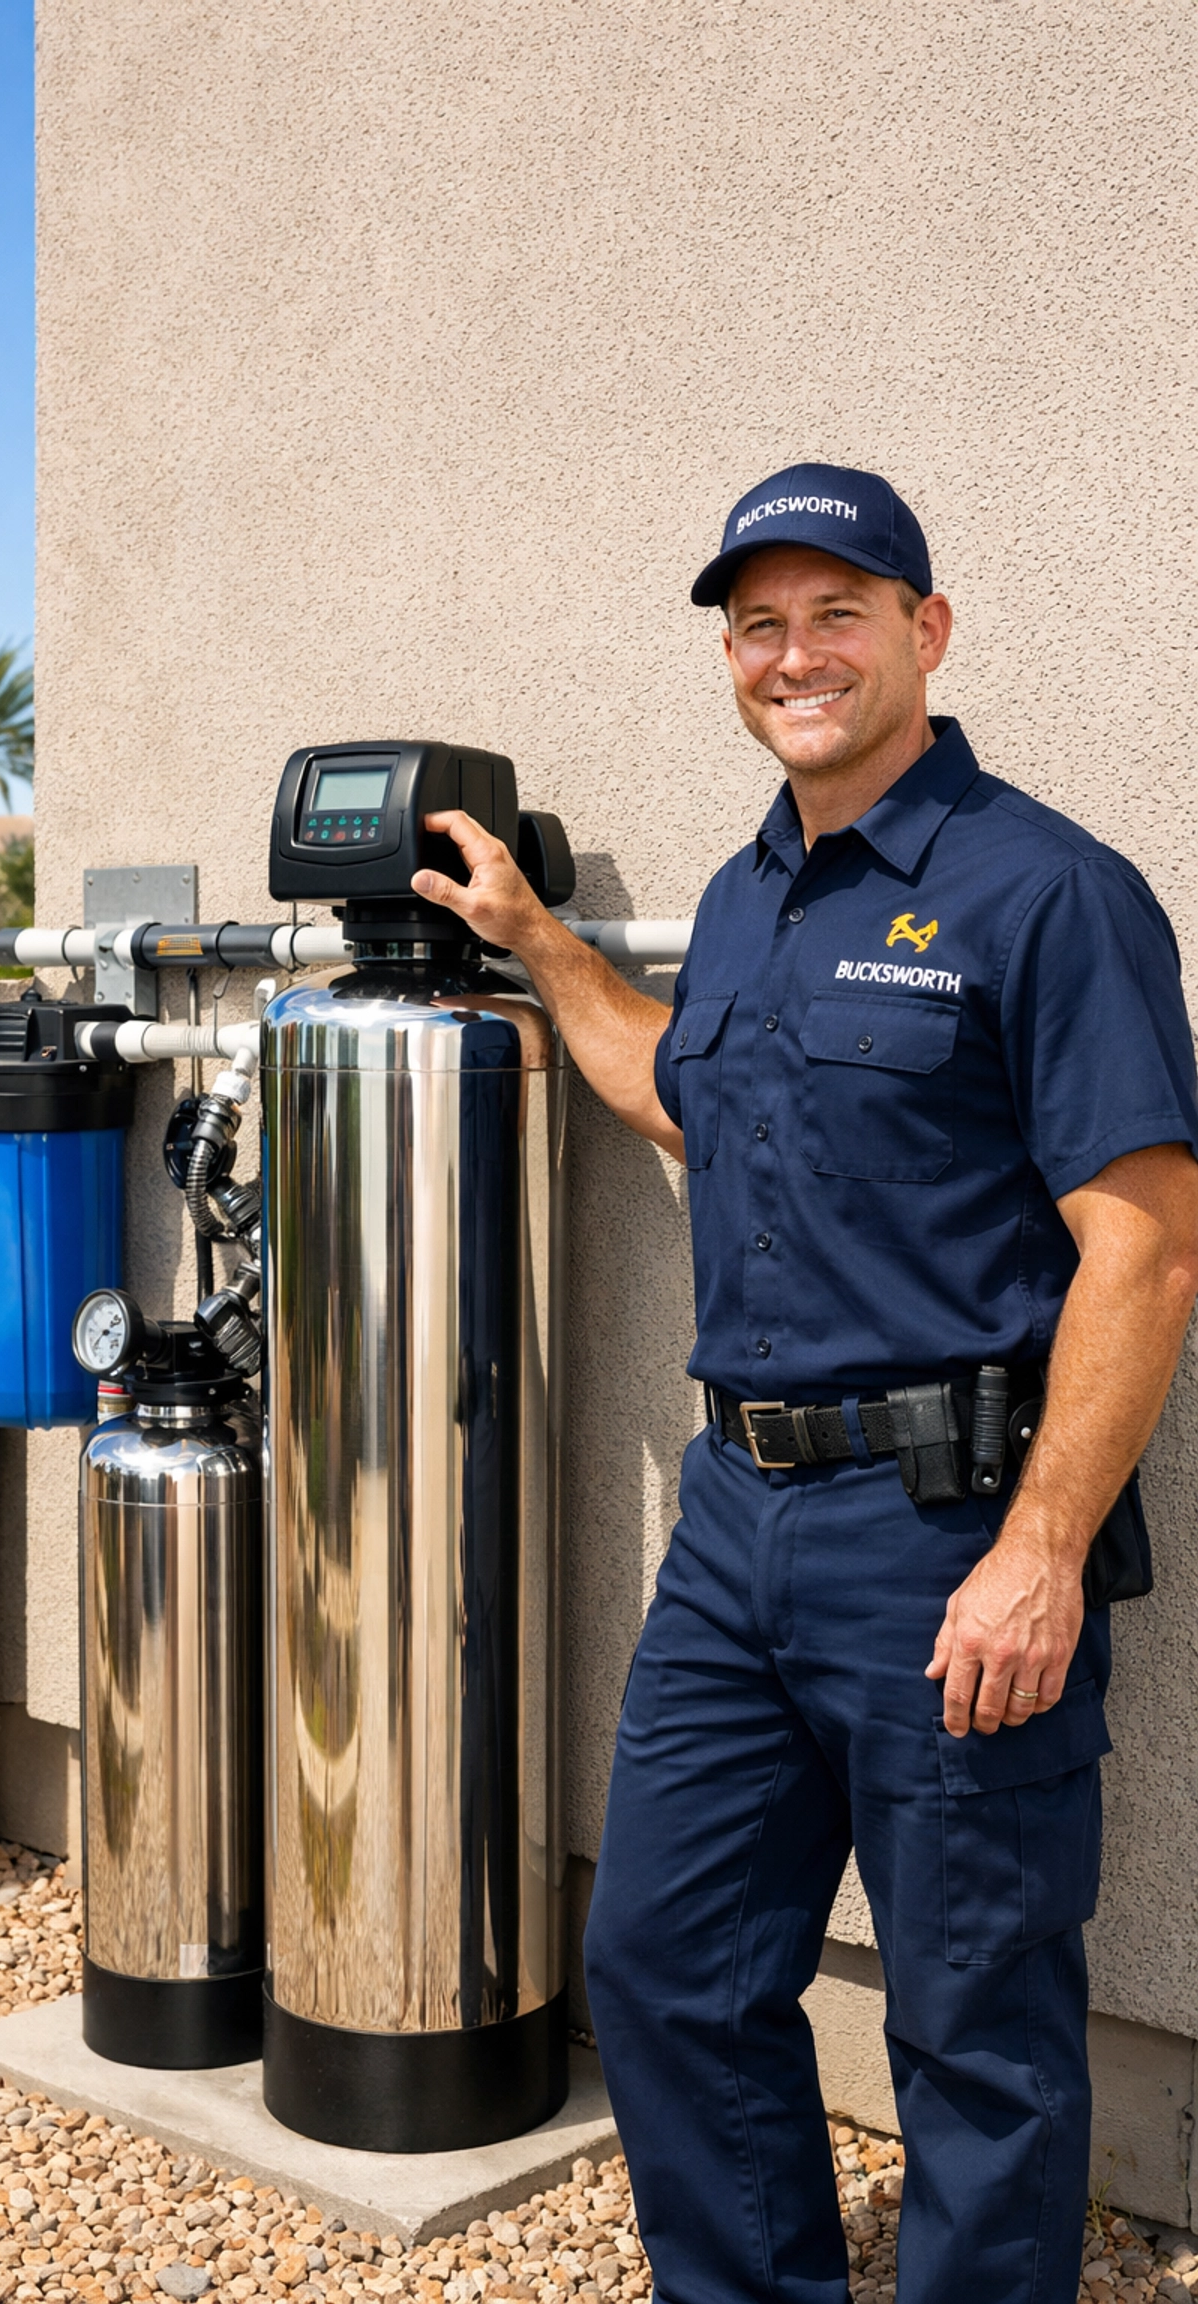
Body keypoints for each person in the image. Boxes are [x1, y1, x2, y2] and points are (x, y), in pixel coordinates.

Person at [409, 462, 1198, 2304]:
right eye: (759, 625)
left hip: (947, 1538)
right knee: (667, 1968)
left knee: (974, 2037)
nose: (795, 654)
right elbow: (677, 1090)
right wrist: (535, 941)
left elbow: (1146, 1250)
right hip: (737, 1528)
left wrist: (1043, 1549)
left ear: (927, 631)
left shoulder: (1049, 893)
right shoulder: (746, 895)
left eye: (837, 611)